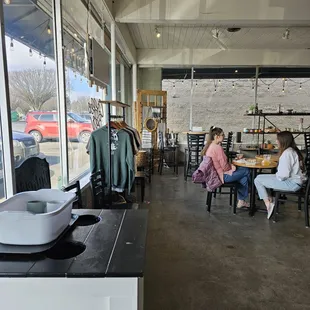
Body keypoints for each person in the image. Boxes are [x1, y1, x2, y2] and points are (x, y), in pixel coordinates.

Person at [254, 131, 306, 219]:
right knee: (259, 177)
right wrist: (275, 176)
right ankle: (270, 198)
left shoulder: (287, 153)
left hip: (292, 183)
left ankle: (268, 204)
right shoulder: (293, 150)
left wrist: (275, 177)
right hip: (297, 181)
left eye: (277, 139)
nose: (276, 141)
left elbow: (283, 175)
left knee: (258, 180)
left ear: (283, 141)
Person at [201, 126, 250, 208]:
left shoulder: (208, 146)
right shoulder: (217, 148)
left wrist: (230, 166)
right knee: (246, 170)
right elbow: (224, 167)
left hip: (213, 176)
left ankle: (241, 200)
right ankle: (251, 193)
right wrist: (231, 167)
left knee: (243, 178)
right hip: (222, 176)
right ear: (217, 136)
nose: (224, 136)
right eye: (222, 135)